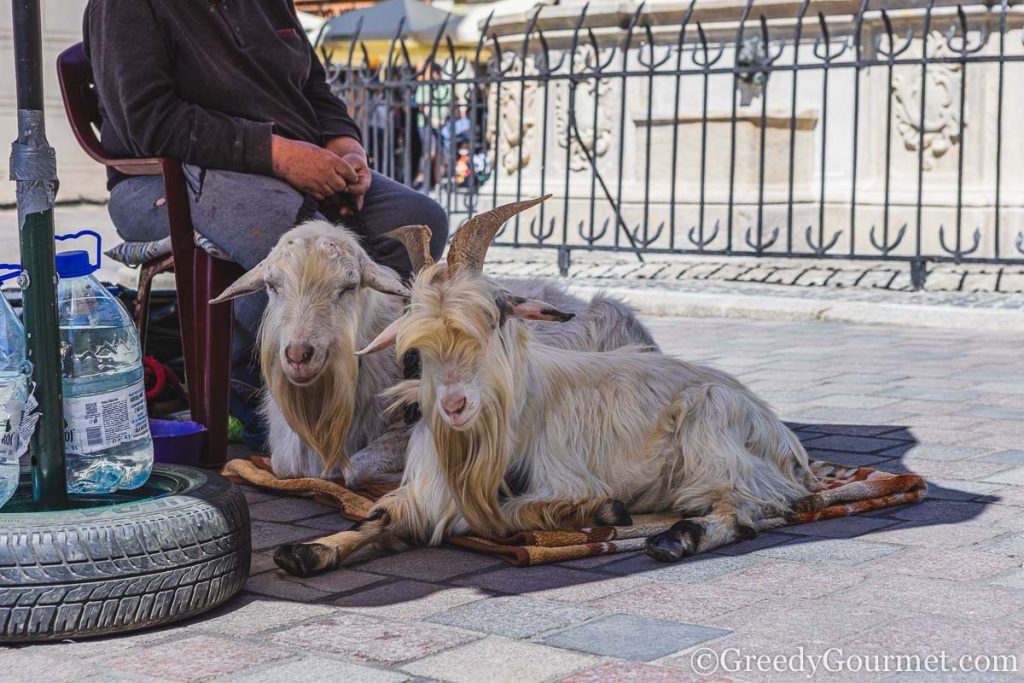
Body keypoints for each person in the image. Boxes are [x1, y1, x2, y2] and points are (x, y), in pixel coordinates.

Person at [83, 0, 449, 449]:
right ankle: (258, 397)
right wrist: (279, 156)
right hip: (165, 178)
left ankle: (379, 395)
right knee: (291, 238)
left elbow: (315, 86)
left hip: (289, 169)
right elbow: (151, 122)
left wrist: (345, 145)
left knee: (418, 223)